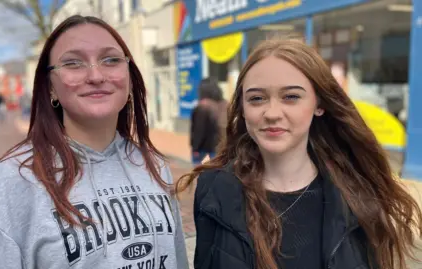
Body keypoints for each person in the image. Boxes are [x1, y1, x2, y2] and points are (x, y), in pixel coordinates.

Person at [0, 15, 189, 269]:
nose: (96, 75)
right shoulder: (12, 183)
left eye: (111, 60)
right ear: (50, 88)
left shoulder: (154, 166)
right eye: (73, 63)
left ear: (129, 77)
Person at [176, 39, 422, 269]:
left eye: (291, 97)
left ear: (319, 104)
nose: (272, 112)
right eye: (257, 98)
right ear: (242, 106)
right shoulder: (212, 190)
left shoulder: (360, 192)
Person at [190, 78, 227, 165]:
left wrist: (195, 148)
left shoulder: (202, 107)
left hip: (203, 150)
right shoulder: (225, 105)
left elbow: (199, 131)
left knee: (201, 175)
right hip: (221, 149)